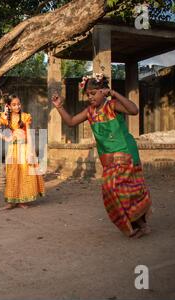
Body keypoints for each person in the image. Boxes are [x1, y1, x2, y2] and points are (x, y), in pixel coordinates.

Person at [51, 73, 152, 238]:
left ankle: (141, 225)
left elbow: (134, 110)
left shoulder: (112, 105)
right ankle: (136, 224)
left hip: (125, 152)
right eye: (88, 94)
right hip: (108, 157)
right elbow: (71, 122)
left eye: (94, 93)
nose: (90, 97)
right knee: (112, 191)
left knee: (122, 189)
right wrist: (59, 106)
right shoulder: (90, 112)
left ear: (102, 91)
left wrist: (114, 93)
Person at [0, 94, 45, 210]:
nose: (17, 107)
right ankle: (11, 202)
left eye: (18, 104)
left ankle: (22, 200)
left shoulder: (25, 117)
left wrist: (31, 151)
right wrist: (6, 138)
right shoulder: (6, 118)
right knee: (12, 174)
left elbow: (29, 134)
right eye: (14, 104)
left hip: (25, 148)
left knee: (24, 173)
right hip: (13, 149)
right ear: (9, 106)